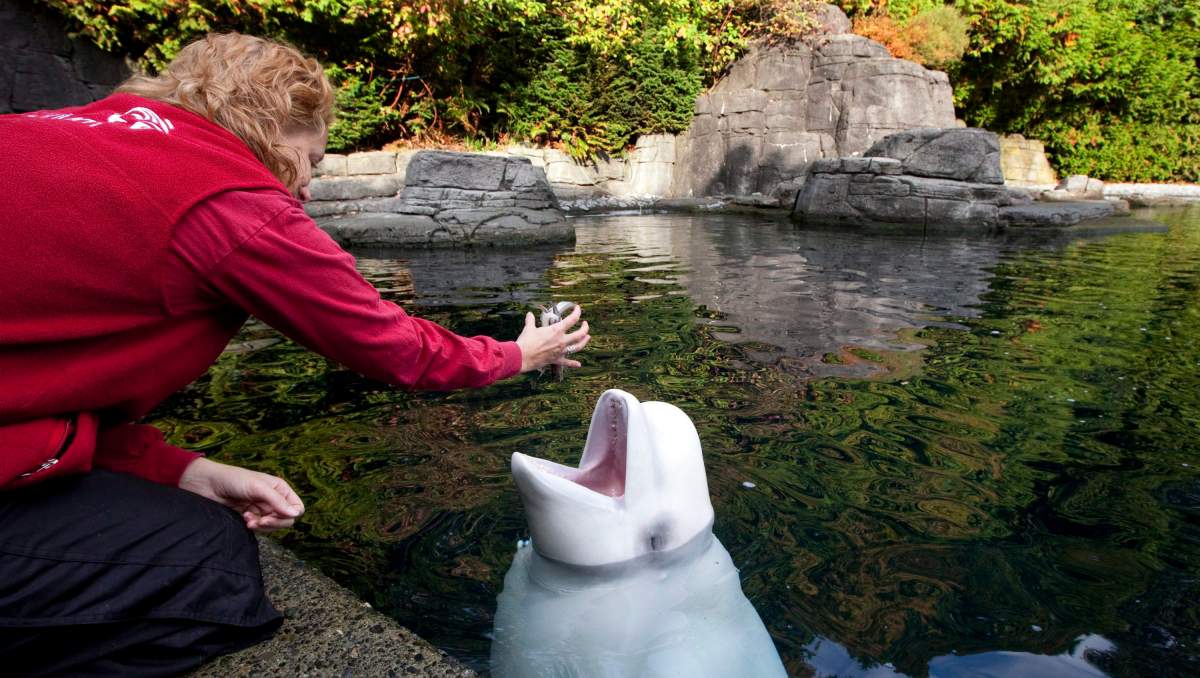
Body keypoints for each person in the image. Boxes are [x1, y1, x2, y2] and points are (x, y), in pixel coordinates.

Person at [0, 32, 589, 676]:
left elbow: (30, 378)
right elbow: (394, 346)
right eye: (310, 159)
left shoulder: (73, 129)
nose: (307, 189)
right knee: (212, 571)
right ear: (272, 122)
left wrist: (178, 469)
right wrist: (518, 354)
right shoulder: (226, 196)